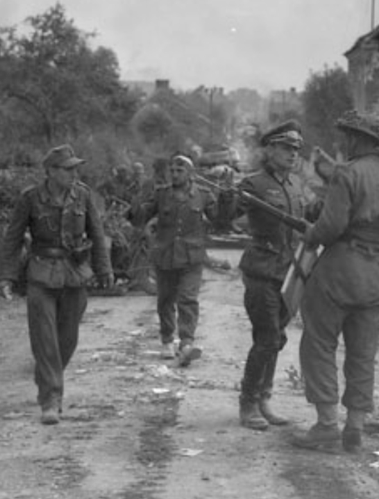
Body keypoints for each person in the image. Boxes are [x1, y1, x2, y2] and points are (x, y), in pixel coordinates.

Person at [293, 110, 379, 453]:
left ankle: (327, 424)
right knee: (363, 353)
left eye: (346, 137)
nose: (342, 143)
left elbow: (330, 227)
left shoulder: (347, 174)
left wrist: (311, 233)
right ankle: (355, 426)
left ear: (358, 140)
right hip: (376, 273)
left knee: (319, 343)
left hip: (341, 268)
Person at [0, 144, 112, 425]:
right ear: (50, 171)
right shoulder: (31, 198)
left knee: (67, 339)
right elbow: (12, 238)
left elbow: (97, 234)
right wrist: (6, 276)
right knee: (44, 338)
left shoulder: (82, 196)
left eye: (75, 168)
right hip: (41, 273)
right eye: (68, 168)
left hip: (74, 274)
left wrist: (104, 268)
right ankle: (51, 398)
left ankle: (46, 377)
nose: (74, 173)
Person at [234, 120, 319, 430]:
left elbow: (312, 215)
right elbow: (223, 216)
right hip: (261, 269)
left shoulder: (297, 185)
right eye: (285, 148)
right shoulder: (253, 184)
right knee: (267, 336)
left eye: (296, 149)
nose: (292, 154)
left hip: (289, 273)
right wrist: (230, 200)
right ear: (269, 150)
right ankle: (248, 403)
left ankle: (263, 398)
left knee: (277, 338)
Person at [134, 154, 219, 367]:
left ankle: (187, 343)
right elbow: (139, 216)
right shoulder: (161, 195)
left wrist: (227, 197)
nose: (174, 174)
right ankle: (167, 339)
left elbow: (222, 218)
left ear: (190, 174)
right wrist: (137, 202)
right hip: (165, 256)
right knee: (165, 300)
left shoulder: (203, 195)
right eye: (172, 170)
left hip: (192, 258)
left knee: (188, 299)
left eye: (179, 171)